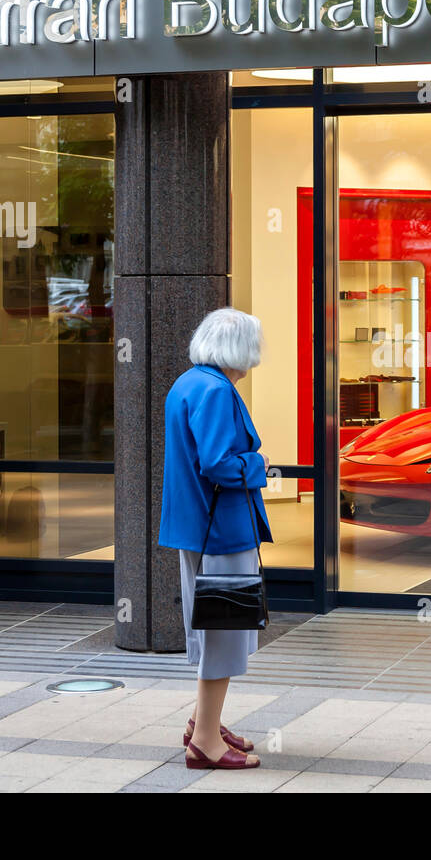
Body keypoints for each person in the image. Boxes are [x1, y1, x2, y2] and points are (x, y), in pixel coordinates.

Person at [158, 307, 273, 770]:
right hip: (221, 530)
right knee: (224, 634)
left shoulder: (188, 383)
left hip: (195, 527)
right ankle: (205, 740)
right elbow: (220, 463)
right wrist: (260, 465)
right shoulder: (217, 391)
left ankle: (204, 721)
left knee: (211, 629)